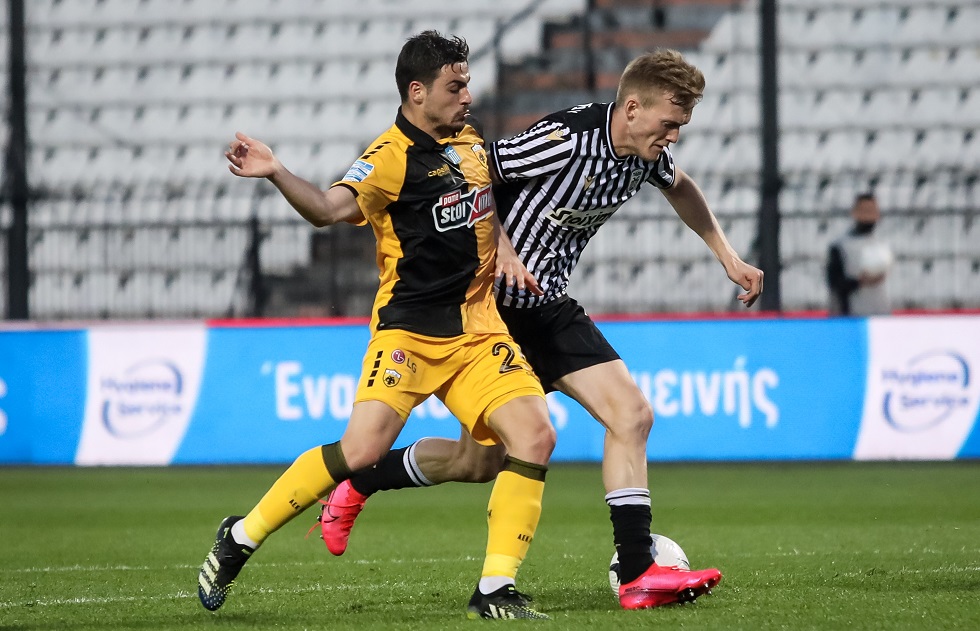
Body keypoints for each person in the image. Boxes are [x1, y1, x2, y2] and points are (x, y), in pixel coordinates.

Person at [316, 49, 762, 610]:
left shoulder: (646, 155)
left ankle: (637, 572)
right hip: (490, 315)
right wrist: (501, 247)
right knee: (477, 463)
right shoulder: (565, 139)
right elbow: (471, 171)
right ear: (631, 108)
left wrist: (728, 256)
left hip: (547, 307)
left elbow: (681, 186)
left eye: (681, 126)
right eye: (669, 123)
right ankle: (363, 480)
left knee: (632, 415)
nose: (673, 136)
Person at [196, 31, 558, 621]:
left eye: (467, 83)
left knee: (530, 440)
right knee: (360, 450)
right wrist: (277, 171)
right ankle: (240, 536)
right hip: (409, 333)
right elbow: (326, 209)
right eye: (455, 86)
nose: (467, 96)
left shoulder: (469, 142)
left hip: (478, 331)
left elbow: (485, 209)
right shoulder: (389, 157)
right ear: (417, 92)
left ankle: (495, 590)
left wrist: (508, 254)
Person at [826, 192, 892, 316]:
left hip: (880, 315)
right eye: (864, 211)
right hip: (851, 318)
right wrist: (860, 281)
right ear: (855, 213)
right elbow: (834, 283)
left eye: (872, 211)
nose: (868, 215)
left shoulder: (882, 244)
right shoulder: (841, 246)